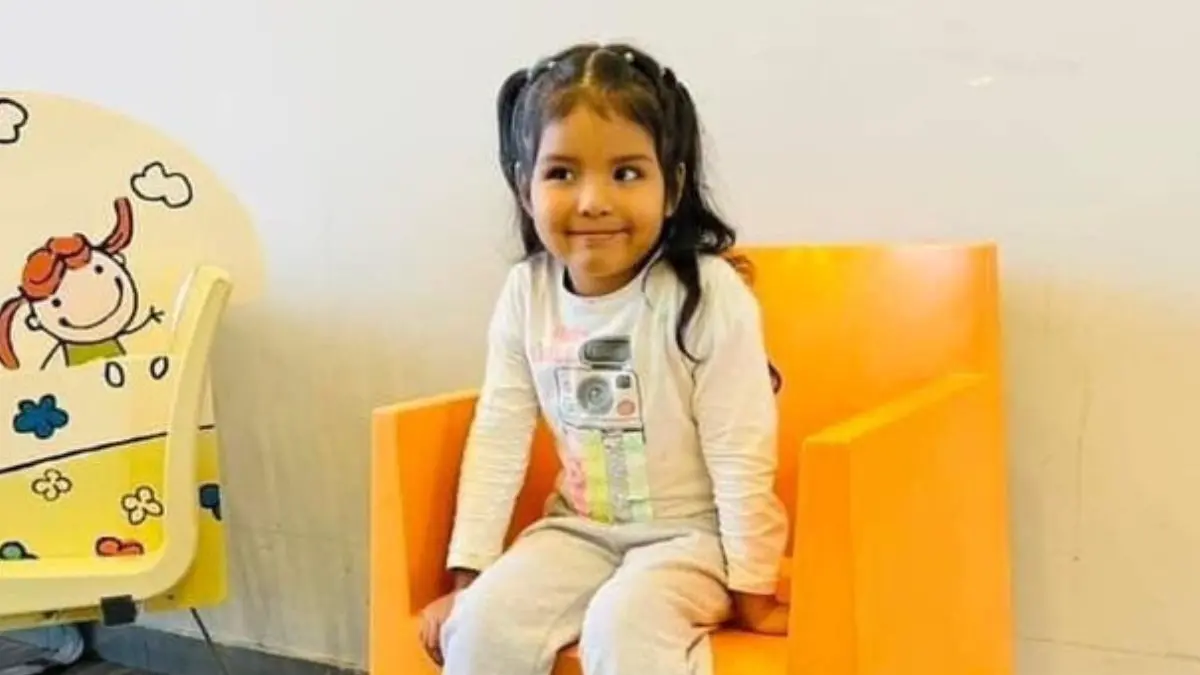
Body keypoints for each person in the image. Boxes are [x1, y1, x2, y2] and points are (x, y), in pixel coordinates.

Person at [418, 42, 789, 675]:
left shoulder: (706, 294)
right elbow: (499, 433)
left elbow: (741, 450)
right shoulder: (527, 292)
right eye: (562, 173)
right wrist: (469, 578)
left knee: (624, 623)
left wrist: (753, 587)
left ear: (672, 187)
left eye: (626, 173)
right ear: (524, 186)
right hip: (577, 531)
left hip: (693, 539)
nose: (592, 199)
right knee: (479, 625)